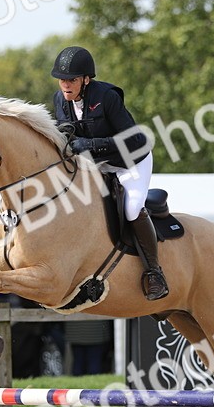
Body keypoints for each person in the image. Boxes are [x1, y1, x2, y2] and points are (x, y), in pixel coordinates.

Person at [50, 45, 169, 300]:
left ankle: (154, 272)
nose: (65, 85)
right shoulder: (60, 100)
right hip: (97, 164)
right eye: (62, 80)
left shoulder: (107, 97)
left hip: (131, 161)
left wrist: (92, 144)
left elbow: (135, 139)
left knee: (131, 208)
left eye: (71, 80)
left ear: (86, 79)